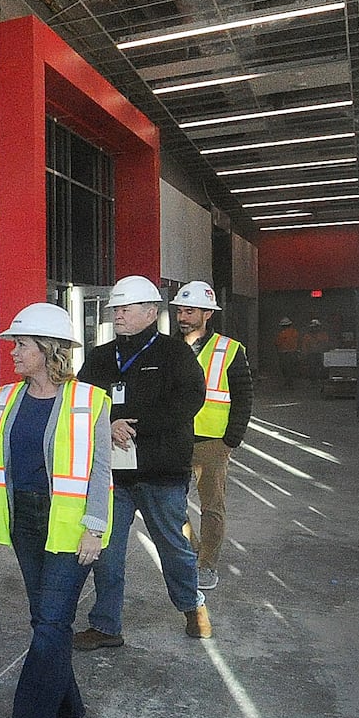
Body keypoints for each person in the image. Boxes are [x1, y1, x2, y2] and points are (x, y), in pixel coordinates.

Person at [0, 303, 111, 718]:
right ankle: (70, 706)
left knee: (50, 622)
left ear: (48, 350)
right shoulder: (6, 397)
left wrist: (95, 525)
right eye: (13, 344)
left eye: (21, 344)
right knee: (46, 619)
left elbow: (101, 468)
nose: (13, 352)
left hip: (69, 525)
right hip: (24, 521)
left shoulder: (90, 400)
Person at [73, 276, 211, 651]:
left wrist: (136, 428)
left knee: (173, 546)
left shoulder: (174, 355)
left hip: (161, 471)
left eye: (126, 308)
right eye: (116, 308)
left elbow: (190, 400)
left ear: (151, 313)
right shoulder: (101, 356)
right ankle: (105, 626)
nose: (117, 313)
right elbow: (82, 404)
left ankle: (192, 606)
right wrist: (108, 425)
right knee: (106, 552)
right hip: (112, 475)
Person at [170, 282, 253, 592]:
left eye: (189, 311)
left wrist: (233, 437)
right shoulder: (168, 348)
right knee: (172, 504)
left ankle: (207, 565)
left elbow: (243, 396)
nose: (182, 317)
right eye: (179, 310)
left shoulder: (230, 350)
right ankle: (191, 553)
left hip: (213, 442)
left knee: (211, 507)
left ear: (207, 314)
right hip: (176, 438)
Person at [301, 318, 332, 384]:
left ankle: (322, 380)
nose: (315, 329)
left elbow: (326, 344)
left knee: (322, 367)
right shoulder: (307, 336)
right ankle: (313, 380)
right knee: (312, 367)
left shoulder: (323, 335)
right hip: (311, 354)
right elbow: (304, 346)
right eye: (313, 327)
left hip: (321, 354)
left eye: (316, 327)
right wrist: (304, 355)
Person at [275, 317, 300, 389]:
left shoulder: (281, 334)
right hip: (292, 353)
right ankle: (290, 382)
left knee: (285, 368)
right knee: (291, 368)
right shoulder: (295, 332)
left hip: (284, 354)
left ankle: (288, 382)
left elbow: (277, 343)